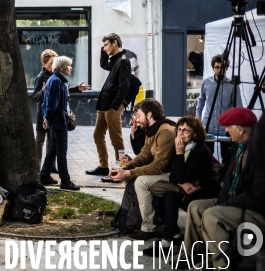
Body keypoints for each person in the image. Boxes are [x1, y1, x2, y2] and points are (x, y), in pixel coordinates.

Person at [182, 107, 264, 270]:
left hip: (256, 211)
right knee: (195, 207)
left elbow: (257, 196)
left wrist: (225, 205)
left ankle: (222, 265)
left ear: (240, 129)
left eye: (228, 127)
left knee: (212, 215)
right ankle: (193, 256)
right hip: (237, 202)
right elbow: (228, 180)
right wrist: (222, 201)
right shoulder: (238, 148)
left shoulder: (259, 152)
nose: (226, 131)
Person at [142, 116, 219, 255]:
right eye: (179, 130)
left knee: (170, 196)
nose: (180, 134)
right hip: (185, 188)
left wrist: (179, 154)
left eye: (185, 131)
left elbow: (182, 176)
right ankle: (176, 235)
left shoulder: (200, 150)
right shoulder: (179, 146)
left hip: (202, 190)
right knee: (157, 201)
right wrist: (182, 181)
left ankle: (166, 242)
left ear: (195, 133)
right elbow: (174, 177)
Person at [110, 98, 176, 240]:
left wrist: (129, 171)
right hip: (163, 172)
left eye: (138, 115)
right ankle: (135, 220)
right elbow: (145, 154)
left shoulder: (165, 131)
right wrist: (125, 169)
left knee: (141, 181)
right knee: (130, 178)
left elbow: (159, 166)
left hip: (174, 175)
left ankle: (149, 228)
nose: (136, 119)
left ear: (149, 115)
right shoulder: (152, 129)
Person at [39, 56, 88, 191]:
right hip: (58, 121)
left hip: (57, 121)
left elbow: (49, 101)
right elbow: (51, 104)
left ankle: (44, 175)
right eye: (68, 65)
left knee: (54, 148)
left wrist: (47, 118)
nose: (71, 68)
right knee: (61, 151)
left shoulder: (57, 81)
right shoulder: (56, 81)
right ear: (61, 67)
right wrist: (47, 118)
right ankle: (65, 181)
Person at [87, 33, 131, 176]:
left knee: (116, 139)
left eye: (106, 45)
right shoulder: (116, 59)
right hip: (104, 104)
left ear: (115, 43)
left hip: (112, 106)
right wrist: (103, 49)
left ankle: (122, 169)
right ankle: (103, 166)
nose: (105, 48)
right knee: (98, 135)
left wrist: (115, 105)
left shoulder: (123, 60)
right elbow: (104, 64)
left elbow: (125, 86)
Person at [196, 54, 241, 141]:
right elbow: (201, 101)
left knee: (227, 154)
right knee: (207, 153)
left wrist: (236, 126)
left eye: (223, 67)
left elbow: (238, 106)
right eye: (217, 67)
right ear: (213, 68)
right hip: (208, 125)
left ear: (227, 68)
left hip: (226, 127)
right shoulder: (206, 82)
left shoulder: (232, 84)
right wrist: (198, 118)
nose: (220, 70)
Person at [31, 49, 58, 170]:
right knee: (40, 140)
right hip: (42, 113)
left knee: (52, 140)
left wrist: (76, 88)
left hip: (53, 113)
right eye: (51, 63)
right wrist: (43, 91)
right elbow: (34, 96)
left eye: (55, 63)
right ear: (44, 64)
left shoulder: (55, 75)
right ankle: (36, 166)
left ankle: (51, 166)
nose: (53, 66)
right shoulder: (41, 77)